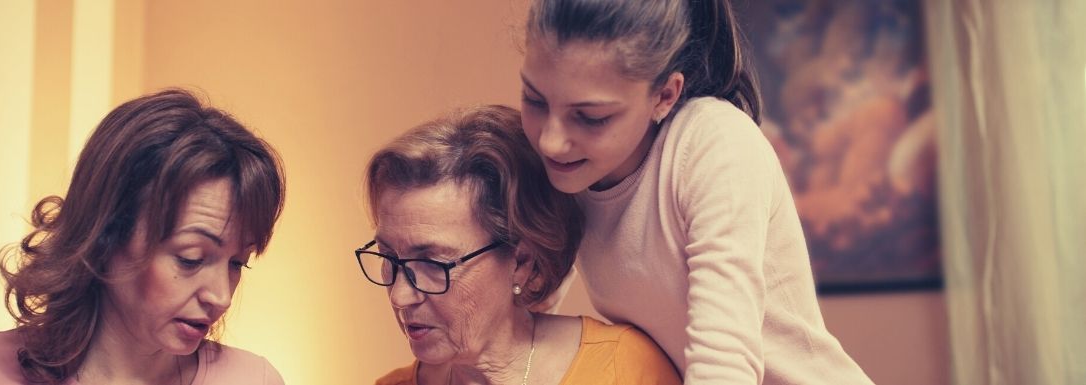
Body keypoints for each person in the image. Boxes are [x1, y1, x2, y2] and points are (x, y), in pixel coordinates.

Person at [517, 0, 874, 383]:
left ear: (665, 95)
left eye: (591, 117)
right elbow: (524, 327)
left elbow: (723, 366)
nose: (551, 142)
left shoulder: (715, 143)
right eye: (534, 100)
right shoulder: (571, 174)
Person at [0, 89, 287, 385]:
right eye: (190, 257)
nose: (221, 297)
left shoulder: (255, 379)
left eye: (237, 263)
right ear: (106, 234)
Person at [362, 105, 680, 385]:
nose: (400, 296)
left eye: (432, 264)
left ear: (522, 263)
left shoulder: (623, 371)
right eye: (389, 256)